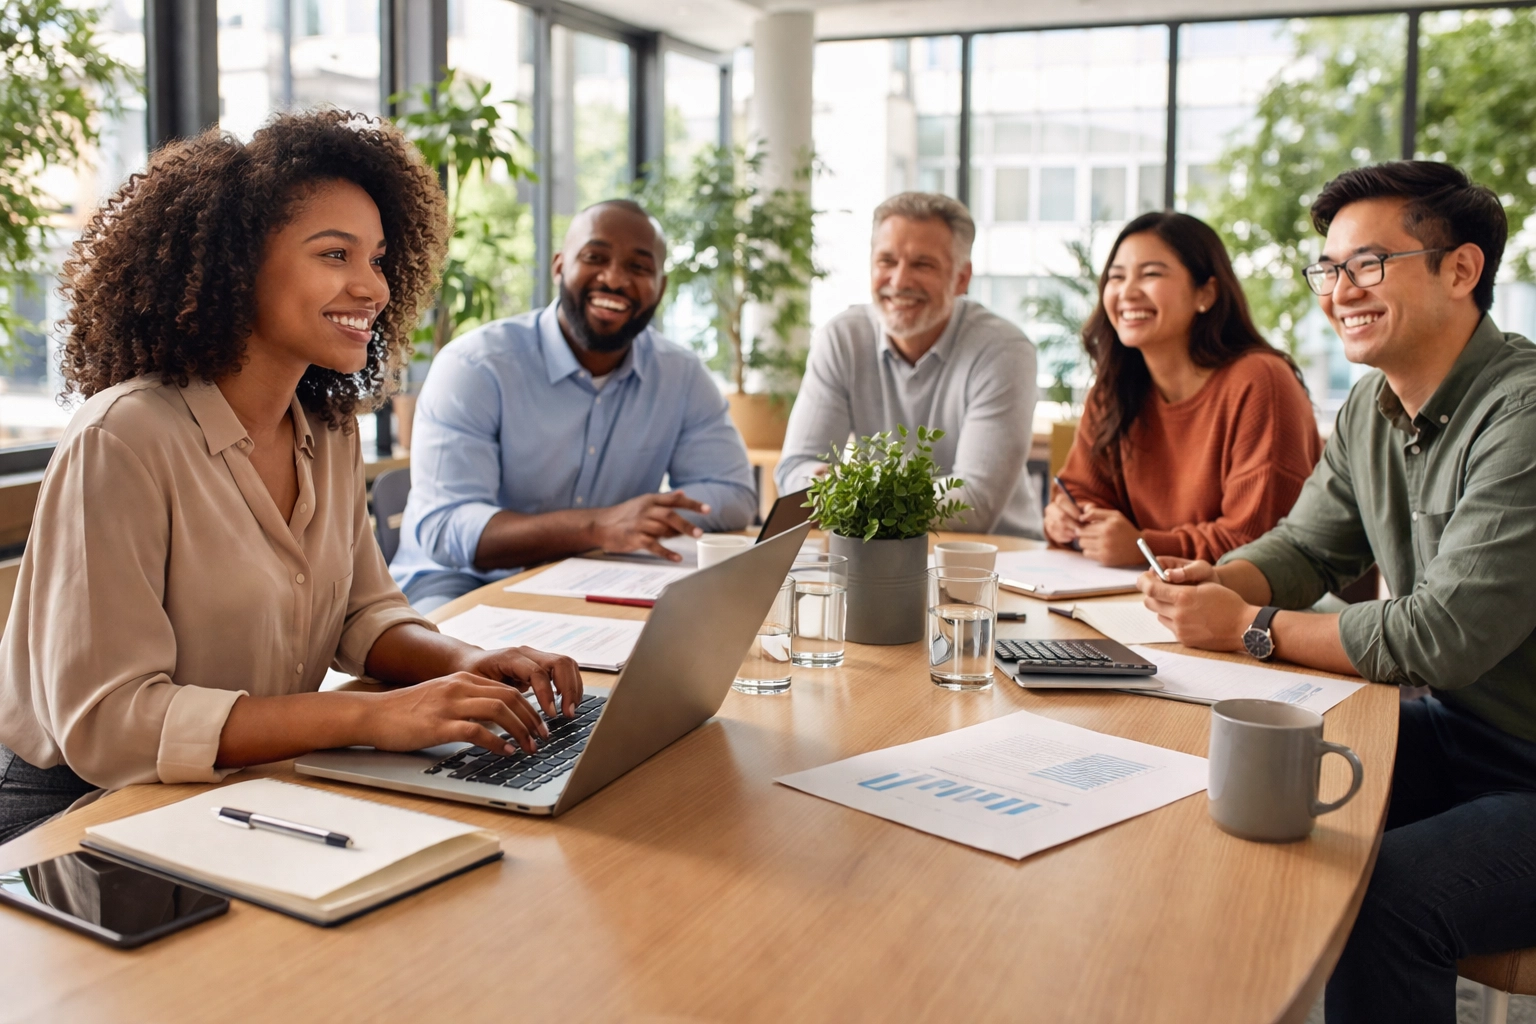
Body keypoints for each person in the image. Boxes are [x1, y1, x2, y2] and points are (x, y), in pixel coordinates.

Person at [0, 112, 584, 844]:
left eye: (376, 258)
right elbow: (113, 725)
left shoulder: (329, 428)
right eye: (335, 254)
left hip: (249, 783)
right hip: (79, 809)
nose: (370, 287)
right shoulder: (123, 439)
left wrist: (466, 665)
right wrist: (373, 717)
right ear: (235, 263)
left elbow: (362, 614)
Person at [1137, 161, 1536, 1023]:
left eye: (1368, 264)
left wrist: (1249, 627)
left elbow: (1441, 638)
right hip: (1468, 732)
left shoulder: (1525, 413)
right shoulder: (1368, 408)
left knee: (1386, 898)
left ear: (1461, 270)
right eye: (1328, 268)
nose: (1339, 289)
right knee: (1243, 789)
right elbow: (1310, 543)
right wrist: (1224, 579)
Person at [390, 199, 756, 613]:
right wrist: (601, 526)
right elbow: (447, 527)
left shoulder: (681, 374)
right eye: (594, 257)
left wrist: (643, 518)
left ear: (661, 286)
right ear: (559, 265)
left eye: (639, 267)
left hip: (598, 573)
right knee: (468, 664)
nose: (615, 280)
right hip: (460, 579)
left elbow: (733, 494)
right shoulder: (476, 366)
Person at [1045, 212, 1322, 566]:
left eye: (1151, 274)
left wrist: (1146, 547)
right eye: (1116, 277)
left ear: (1205, 293)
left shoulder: (1260, 381)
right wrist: (1066, 518)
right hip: (1136, 597)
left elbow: (1259, 541)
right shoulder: (1114, 388)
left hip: (1250, 608)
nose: (1127, 292)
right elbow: (1081, 492)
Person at [775, 192, 1041, 537]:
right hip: (877, 554)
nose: (899, 282)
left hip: (998, 559)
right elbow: (794, 471)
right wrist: (827, 485)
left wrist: (851, 496)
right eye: (887, 261)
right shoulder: (842, 338)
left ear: (962, 277)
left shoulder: (1004, 350)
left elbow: (974, 503)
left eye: (922, 265)